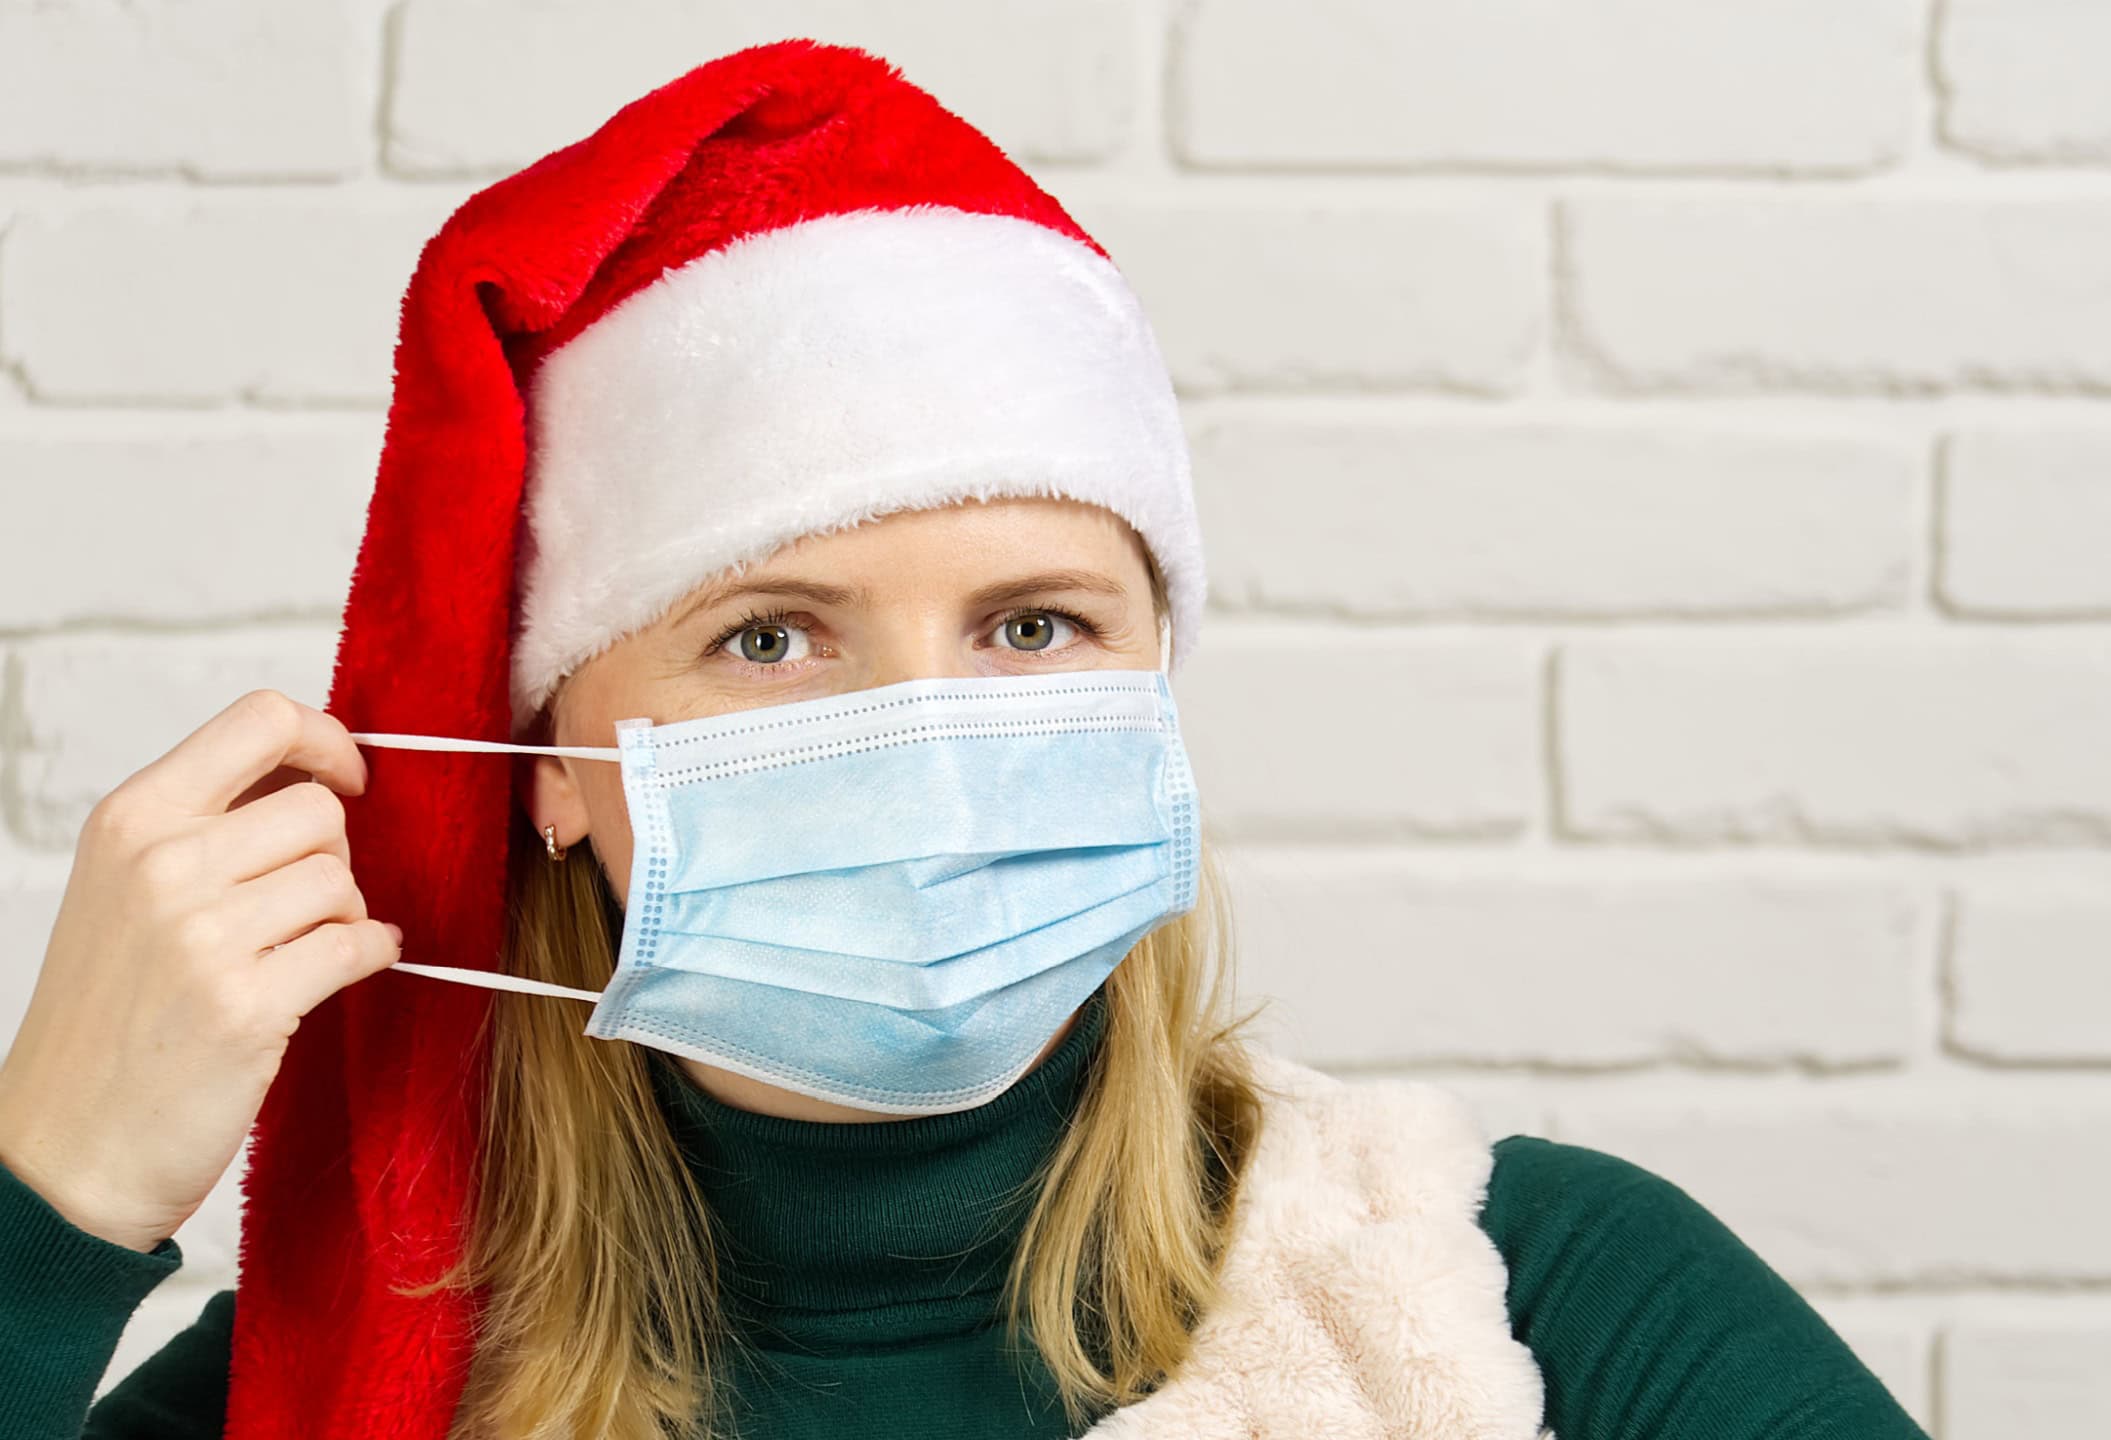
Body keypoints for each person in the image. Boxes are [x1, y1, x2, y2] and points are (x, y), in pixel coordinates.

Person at [0, 40, 1929, 1440]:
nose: (926, 741)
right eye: (768, 635)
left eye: (1033, 625)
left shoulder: (1544, 1304)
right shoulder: (331, 1395)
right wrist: (52, 1204)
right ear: (561, 771)